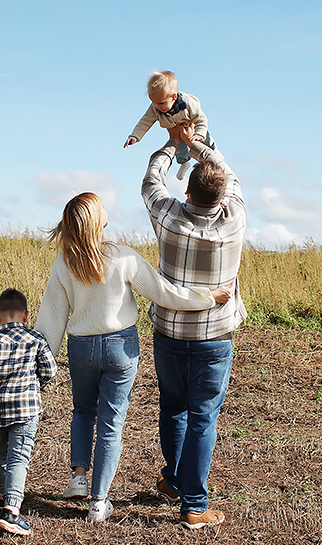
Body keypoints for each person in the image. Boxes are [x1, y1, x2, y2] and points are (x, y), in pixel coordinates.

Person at [34, 192, 232, 524]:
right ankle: (98, 503)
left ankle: (78, 476)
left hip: (81, 347)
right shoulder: (123, 257)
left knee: (83, 412)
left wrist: (38, 367)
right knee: (111, 424)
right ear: (98, 221)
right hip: (120, 349)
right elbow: (163, 292)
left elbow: (52, 318)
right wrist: (207, 297)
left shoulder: (63, 263)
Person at [141, 122, 247, 530]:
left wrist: (172, 144)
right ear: (221, 196)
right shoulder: (234, 219)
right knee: (203, 416)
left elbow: (152, 178)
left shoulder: (168, 217)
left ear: (187, 191)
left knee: (172, 408)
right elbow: (228, 172)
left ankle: (173, 480)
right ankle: (194, 504)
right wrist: (200, 146)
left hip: (169, 334)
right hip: (215, 337)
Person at [0, 288, 57, 537]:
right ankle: (11, 513)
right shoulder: (35, 339)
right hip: (26, 409)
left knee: (1, 454)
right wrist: (35, 384)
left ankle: (3, 496)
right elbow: (51, 370)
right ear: (26, 315)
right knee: (20, 457)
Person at [124, 69, 217, 180]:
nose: (157, 107)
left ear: (173, 97)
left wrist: (200, 133)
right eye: (154, 103)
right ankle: (184, 163)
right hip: (176, 129)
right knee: (180, 148)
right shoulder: (155, 108)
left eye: (161, 103)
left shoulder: (188, 103)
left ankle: (214, 153)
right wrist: (134, 136)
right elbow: (145, 121)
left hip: (191, 125)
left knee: (205, 139)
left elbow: (200, 118)